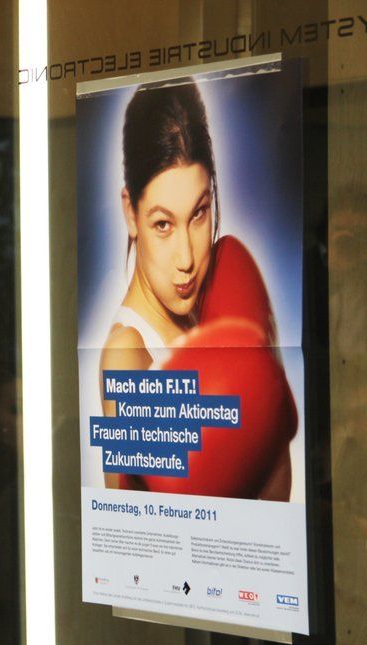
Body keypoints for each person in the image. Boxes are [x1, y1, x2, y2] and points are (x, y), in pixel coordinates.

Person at [100, 79, 290, 499]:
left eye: (199, 213)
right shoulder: (128, 350)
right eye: (163, 224)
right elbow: (129, 521)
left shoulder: (221, 292)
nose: (186, 258)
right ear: (130, 212)